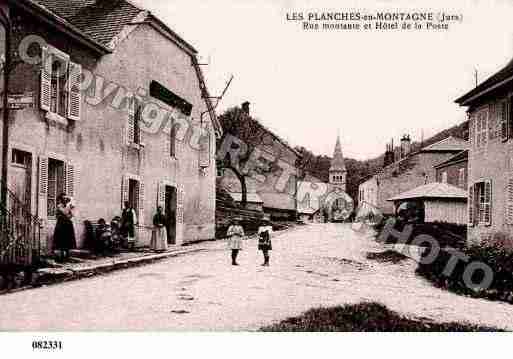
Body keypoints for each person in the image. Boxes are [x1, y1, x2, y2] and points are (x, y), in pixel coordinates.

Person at [53, 193, 76, 262]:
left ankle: (67, 256)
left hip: (67, 224)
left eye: (66, 199)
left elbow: (71, 215)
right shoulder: (59, 206)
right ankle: (61, 257)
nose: (65, 200)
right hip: (61, 225)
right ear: (61, 199)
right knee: (61, 241)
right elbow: (65, 212)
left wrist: (71, 211)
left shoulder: (67, 206)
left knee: (68, 240)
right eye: (64, 199)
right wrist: (69, 208)